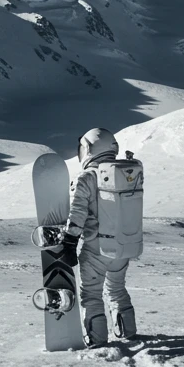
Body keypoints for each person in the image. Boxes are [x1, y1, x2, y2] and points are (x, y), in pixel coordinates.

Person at [56, 127, 141, 347]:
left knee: (91, 294)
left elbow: (77, 213)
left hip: (95, 248)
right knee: (116, 289)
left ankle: (96, 339)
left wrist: (69, 243)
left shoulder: (87, 177)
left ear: (89, 148)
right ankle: (127, 330)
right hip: (123, 245)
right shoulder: (126, 172)